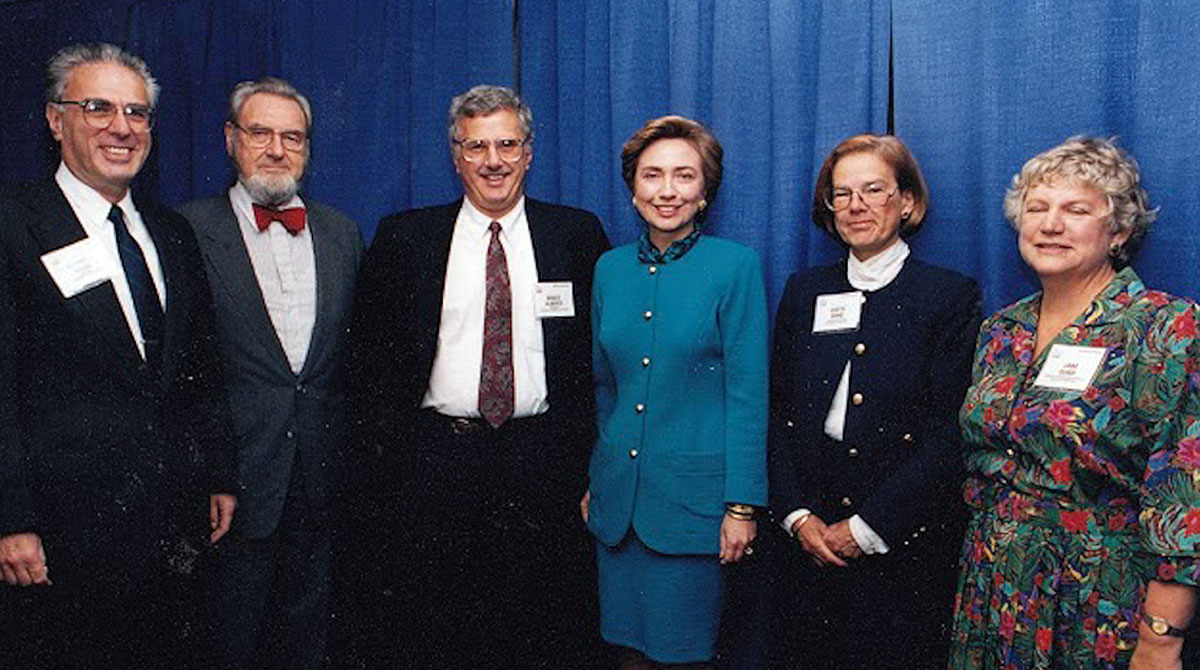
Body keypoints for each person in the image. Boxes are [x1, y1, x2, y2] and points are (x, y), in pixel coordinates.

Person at [345, 84, 610, 669]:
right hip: (437, 462)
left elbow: (603, 358)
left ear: (529, 152)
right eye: (477, 147)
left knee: (542, 628)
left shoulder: (576, 236)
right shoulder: (406, 238)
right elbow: (366, 362)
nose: (493, 161)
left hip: (543, 462)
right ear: (455, 155)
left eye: (507, 144)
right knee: (437, 629)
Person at [0, 42, 236, 668]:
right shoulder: (12, 222)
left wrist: (218, 475)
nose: (121, 128)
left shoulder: (171, 231)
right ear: (56, 120)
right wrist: (9, 519)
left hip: (172, 532)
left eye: (136, 113)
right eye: (98, 107)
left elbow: (200, 369)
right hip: (61, 537)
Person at [950, 136, 1200, 670]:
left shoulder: (1164, 327)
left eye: (1076, 209)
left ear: (1120, 231)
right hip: (994, 583)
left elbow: (1184, 497)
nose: (1051, 224)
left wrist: (1160, 640)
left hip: (1101, 596)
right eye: (1037, 208)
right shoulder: (1001, 330)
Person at [766, 134, 981, 669]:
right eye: (842, 194)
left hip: (901, 537)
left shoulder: (948, 296)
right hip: (806, 536)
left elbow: (950, 434)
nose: (856, 206)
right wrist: (795, 515)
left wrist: (867, 528)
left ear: (907, 202)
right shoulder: (805, 290)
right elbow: (777, 413)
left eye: (873, 190)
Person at [178, 77, 362, 670]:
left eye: (293, 137)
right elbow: (180, 370)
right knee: (225, 644)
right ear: (231, 140)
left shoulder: (342, 232)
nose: (277, 150)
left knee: (308, 647)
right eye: (260, 133)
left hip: (320, 481)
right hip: (231, 488)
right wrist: (208, 471)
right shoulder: (184, 231)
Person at [582, 115, 768, 670]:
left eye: (684, 176)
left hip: (693, 510)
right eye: (652, 176)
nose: (667, 191)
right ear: (632, 188)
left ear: (705, 190)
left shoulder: (735, 266)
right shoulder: (609, 269)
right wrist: (598, 476)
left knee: (681, 655)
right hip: (618, 506)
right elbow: (603, 385)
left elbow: (747, 394)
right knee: (624, 655)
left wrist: (741, 505)